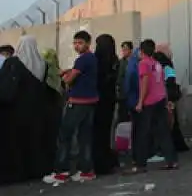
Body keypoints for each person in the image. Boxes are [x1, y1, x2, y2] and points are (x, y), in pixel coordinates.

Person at [43, 30, 100, 184]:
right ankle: (86, 171)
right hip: (90, 102)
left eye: (80, 43)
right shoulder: (92, 58)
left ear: (88, 43)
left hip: (77, 102)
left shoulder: (82, 60)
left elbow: (69, 80)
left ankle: (61, 172)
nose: (76, 46)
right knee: (85, 137)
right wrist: (70, 71)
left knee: (65, 136)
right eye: (75, 43)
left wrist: (64, 75)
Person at [0, 36, 52, 184]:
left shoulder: (13, 63)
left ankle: (18, 172)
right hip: (37, 110)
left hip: (16, 111)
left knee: (16, 143)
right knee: (35, 141)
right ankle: (35, 169)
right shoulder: (43, 63)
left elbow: (5, 88)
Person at [124, 39, 178, 174]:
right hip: (160, 100)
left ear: (141, 51)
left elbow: (145, 83)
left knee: (142, 133)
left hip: (149, 102)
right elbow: (162, 83)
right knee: (163, 131)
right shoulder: (157, 64)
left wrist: (140, 102)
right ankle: (172, 160)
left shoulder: (143, 64)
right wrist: (166, 100)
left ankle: (140, 164)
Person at [153, 45, 190, 153]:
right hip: (169, 97)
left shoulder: (161, 68)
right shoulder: (168, 67)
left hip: (165, 97)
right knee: (172, 122)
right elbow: (171, 80)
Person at [92, 34, 120, 176]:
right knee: (106, 133)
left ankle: (99, 163)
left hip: (97, 101)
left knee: (97, 134)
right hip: (110, 100)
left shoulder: (97, 61)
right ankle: (107, 162)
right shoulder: (114, 61)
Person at [116, 41, 133, 124]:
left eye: (126, 49)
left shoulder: (135, 62)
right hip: (122, 92)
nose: (124, 51)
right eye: (123, 49)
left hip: (132, 93)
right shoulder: (120, 62)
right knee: (122, 115)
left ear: (131, 50)